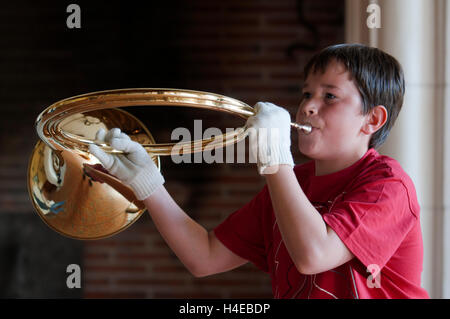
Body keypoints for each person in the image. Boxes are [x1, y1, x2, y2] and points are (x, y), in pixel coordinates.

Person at [89, 44, 430, 299]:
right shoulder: (291, 185)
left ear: (372, 119)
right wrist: (147, 182)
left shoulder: (388, 186)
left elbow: (313, 255)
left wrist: (275, 157)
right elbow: (203, 257)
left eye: (330, 96)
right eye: (307, 93)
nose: (308, 105)